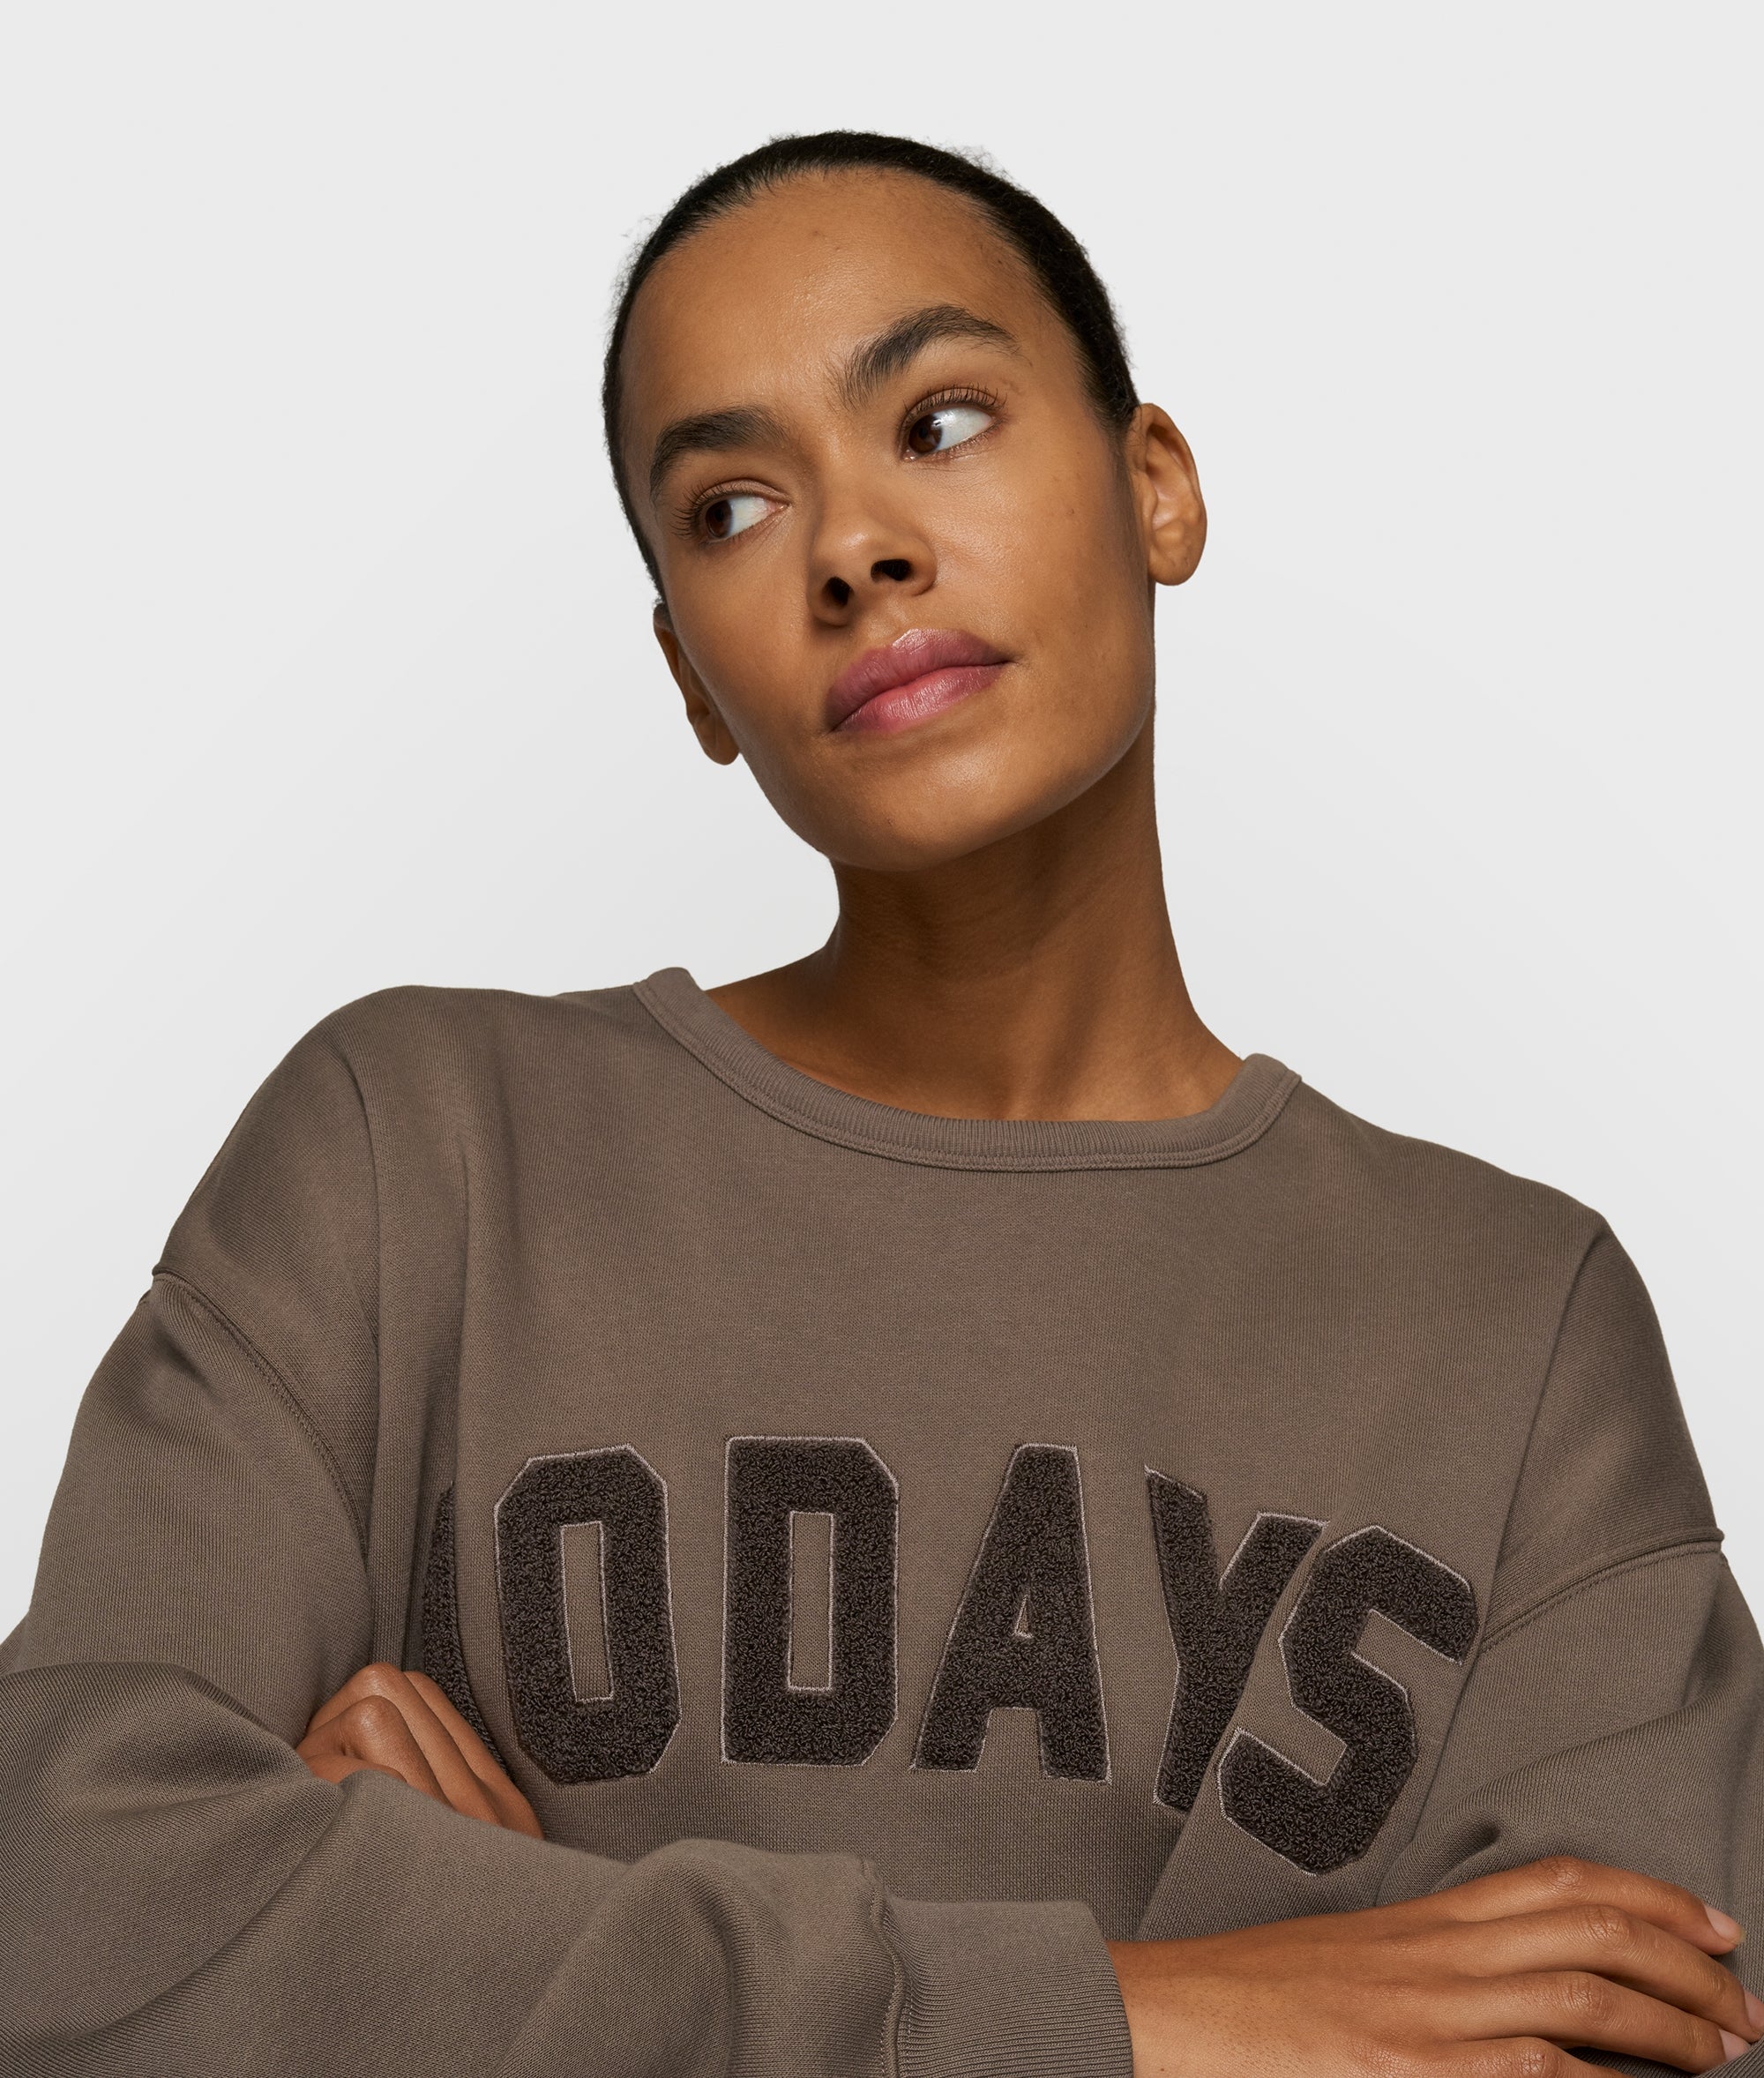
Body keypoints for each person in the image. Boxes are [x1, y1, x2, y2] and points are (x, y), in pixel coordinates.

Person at [2, 128, 1759, 2078]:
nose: (853, 547)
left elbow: (1649, 2027)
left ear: (1155, 485)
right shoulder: (415, 1158)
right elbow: (60, 1910)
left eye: (939, 422)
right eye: (734, 506)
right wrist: (1156, 2016)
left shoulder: (1510, 1323)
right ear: (691, 675)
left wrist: (488, 1970)